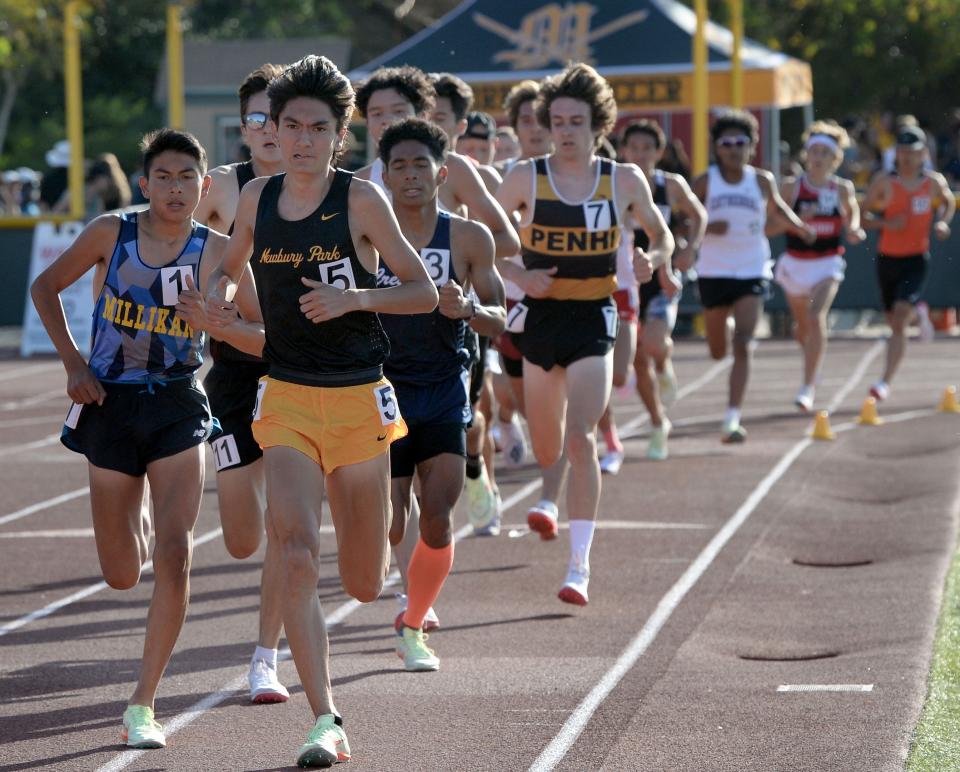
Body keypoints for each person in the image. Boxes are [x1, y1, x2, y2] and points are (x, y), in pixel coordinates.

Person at [205, 55, 437, 768]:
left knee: (364, 580)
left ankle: (381, 570)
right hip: (288, 398)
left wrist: (355, 297)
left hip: (359, 397)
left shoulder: (361, 202)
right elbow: (229, 261)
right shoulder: (255, 199)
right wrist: (215, 289)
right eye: (291, 126)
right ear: (273, 130)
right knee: (297, 553)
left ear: (340, 136)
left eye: (318, 128)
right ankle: (325, 719)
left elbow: (421, 291)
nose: (303, 139)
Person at [30, 129, 223, 749]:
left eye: (186, 177)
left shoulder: (216, 251)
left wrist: (220, 319)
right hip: (108, 400)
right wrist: (73, 364)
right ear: (146, 184)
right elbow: (44, 287)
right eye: (163, 176)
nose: (175, 187)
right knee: (120, 572)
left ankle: (143, 701)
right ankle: (135, 510)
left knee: (176, 551)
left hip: (176, 402)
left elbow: (248, 320)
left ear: (203, 185)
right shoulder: (110, 233)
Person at [497, 63, 668, 605]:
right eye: (558, 120)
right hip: (541, 322)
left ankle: (579, 566)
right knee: (549, 446)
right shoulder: (526, 177)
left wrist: (651, 262)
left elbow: (662, 237)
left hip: (595, 316)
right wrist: (520, 274)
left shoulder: (623, 181)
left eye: (577, 121)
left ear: (599, 125)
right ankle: (555, 499)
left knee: (581, 436)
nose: (566, 130)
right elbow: (487, 243)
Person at [378, 117, 505, 669]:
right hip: (378, 389)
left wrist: (470, 308)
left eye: (420, 165)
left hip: (443, 388)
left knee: (437, 513)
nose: (410, 175)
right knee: (392, 521)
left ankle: (414, 624)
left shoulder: (468, 237)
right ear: (384, 176)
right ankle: (405, 594)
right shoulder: (365, 237)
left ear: (441, 172)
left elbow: (500, 319)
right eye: (399, 166)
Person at [189, 63, 292, 704]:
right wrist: (206, 300)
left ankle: (266, 656)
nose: (267, 130)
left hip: (299, 369)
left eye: (275, 117)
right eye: (255, 118)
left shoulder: (326, 192)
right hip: (233, 370)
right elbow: (177, 240)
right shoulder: (223, 188)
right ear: (246, 129)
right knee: (240, 537)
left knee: (286, 525)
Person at [692, 109, 815, 443]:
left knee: (744, 344)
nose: (733, 148)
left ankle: (732, 417)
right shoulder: (706, 181)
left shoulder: (761, 180)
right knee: (718, 350)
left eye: (740, 142)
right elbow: (683, 220)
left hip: (751, 268)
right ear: (717, 148)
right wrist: (704, 227)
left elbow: (777, 208)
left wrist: (799, 227)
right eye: (726, 142)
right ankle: (724, 330)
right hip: (714, 271)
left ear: (752, 145)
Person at [598, 119, 706, 467]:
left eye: (648, 149)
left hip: (660, 277)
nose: (641, 155)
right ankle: (659, 423)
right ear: (624, 150)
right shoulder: (617, 184)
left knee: (653, 345)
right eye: (635, 148)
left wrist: (688, 253)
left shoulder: (669, 185)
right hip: (623, 280)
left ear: (659, 152)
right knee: (636, 365)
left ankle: (665, 362)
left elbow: (697, 216)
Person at [768, 120, 866, 411]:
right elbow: (769, 227)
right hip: (796, 264)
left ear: (835, 159)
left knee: (815, 316)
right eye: (815, 151)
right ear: (806, 155)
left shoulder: (842, 189)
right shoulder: (791, 188)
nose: (819, 157)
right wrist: (798, 223)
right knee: (802, 328)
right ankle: (814, 362)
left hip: (827, 263)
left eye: (825, 152)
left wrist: (854, 228)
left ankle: (808, 386)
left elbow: (854, 214)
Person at [862, 125, 954, 401]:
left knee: (899, 321)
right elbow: (862, 215)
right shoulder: (884, 183)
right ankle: (919, 313)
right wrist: (887, 222)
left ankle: (884, 381)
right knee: (894, 321)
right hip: (887, 259)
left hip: (915, 259)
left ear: (923, 153)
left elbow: (948, 201)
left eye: (912, 153)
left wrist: (942, 222)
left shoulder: (932, 182)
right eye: (901, 152)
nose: (906, 158)